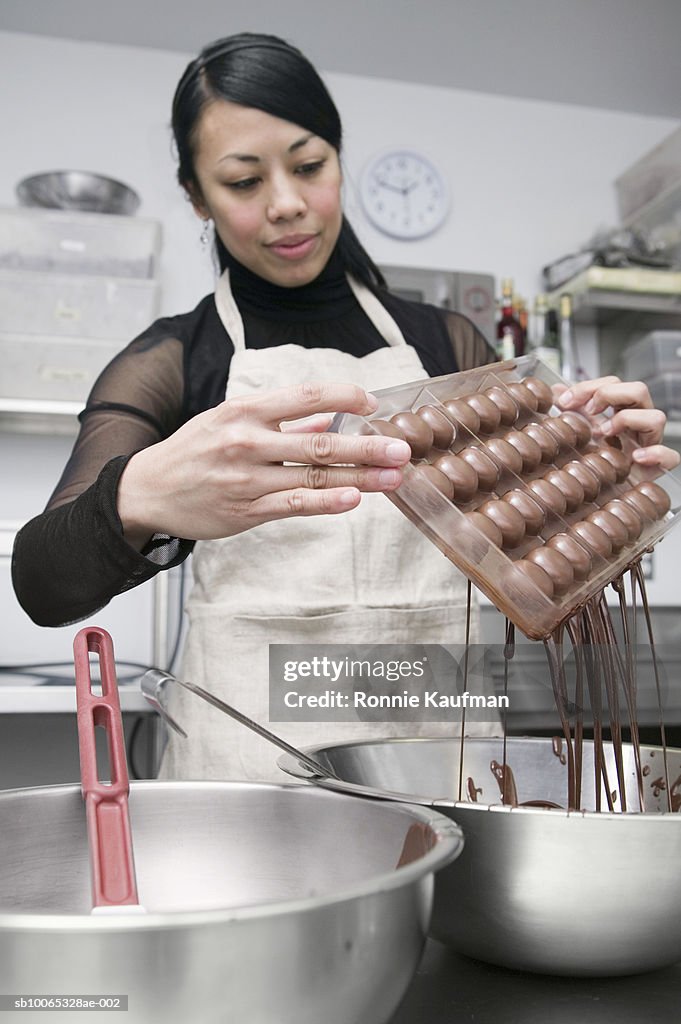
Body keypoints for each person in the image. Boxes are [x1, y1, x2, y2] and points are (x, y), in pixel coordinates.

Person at [12, 33, 679, 780]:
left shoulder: (445, 342)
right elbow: (41, 584)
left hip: (436, 751)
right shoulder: (175, 359)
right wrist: (140, 497)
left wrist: (603, 473)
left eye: (307, 166)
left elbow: (540, 544)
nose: (288, 205)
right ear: (197, 196)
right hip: (252, 764)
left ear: (337, 157)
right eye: (242, 182)